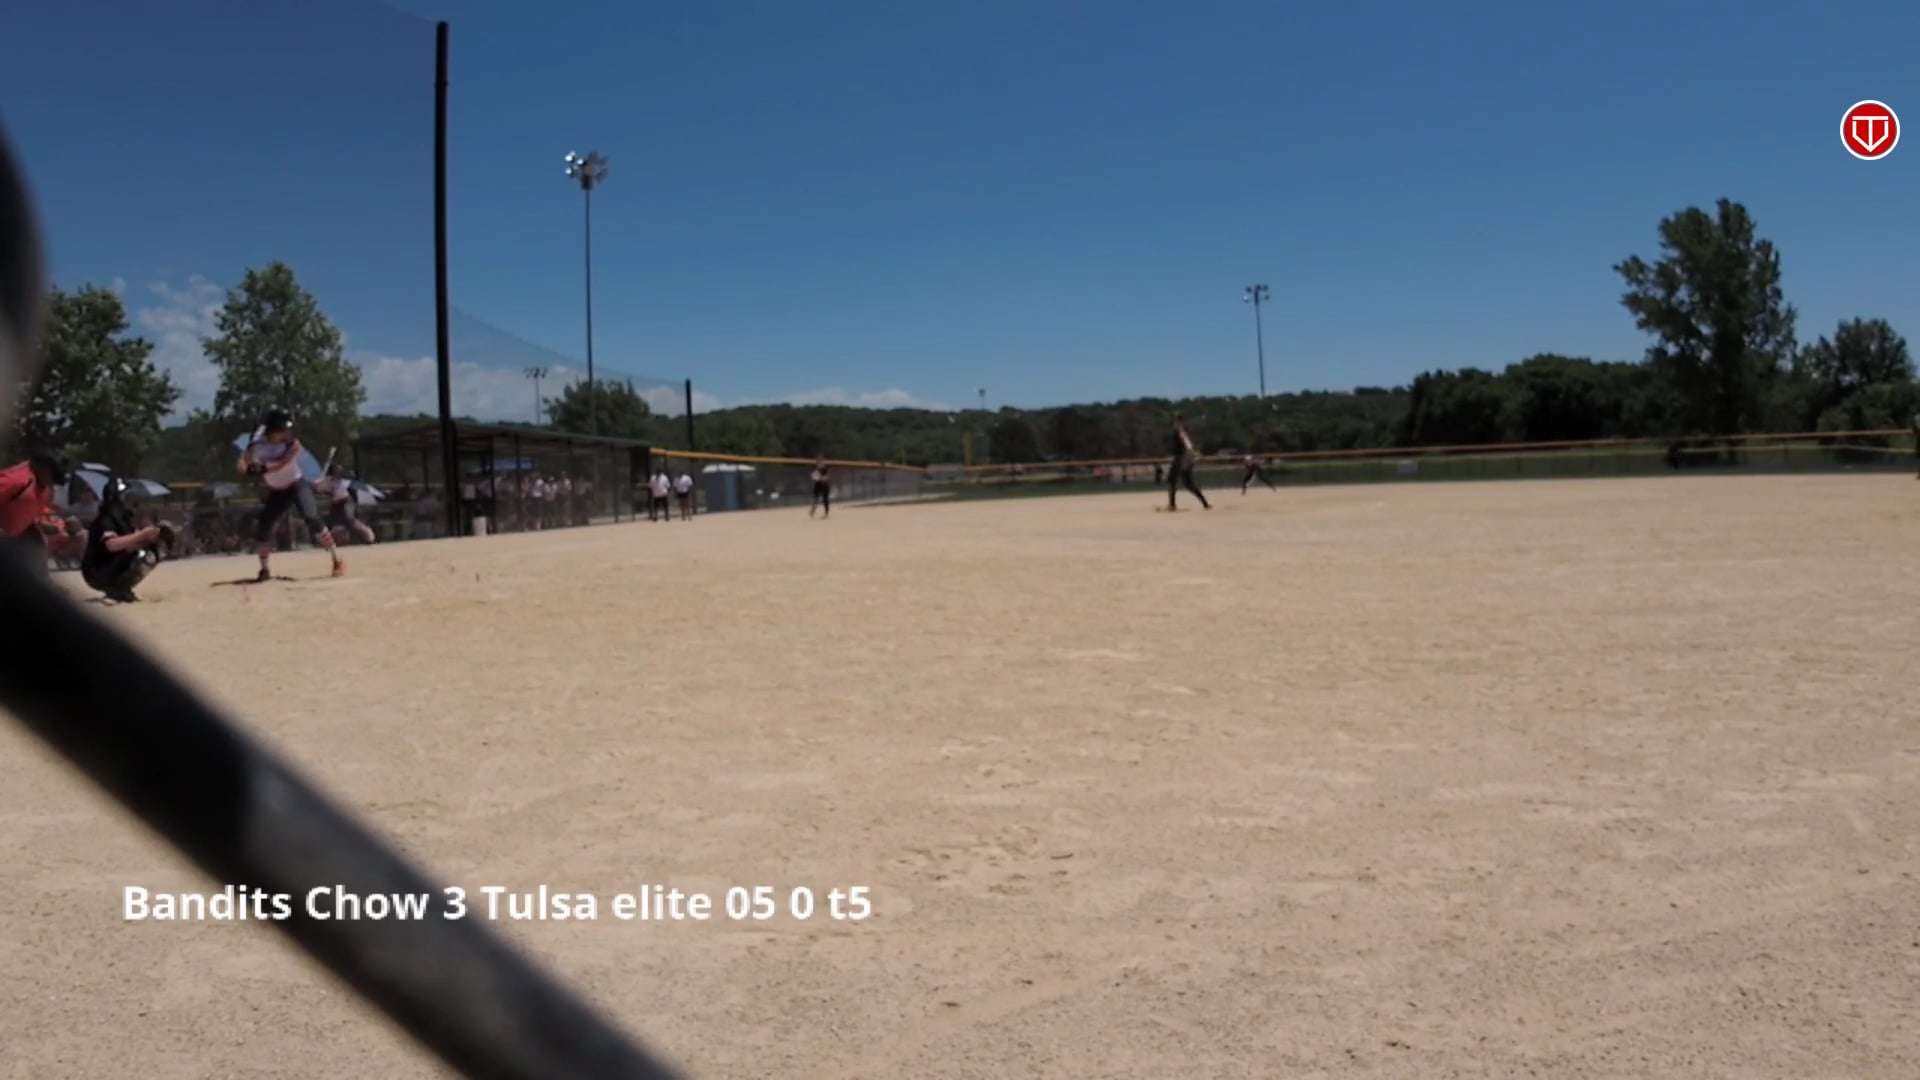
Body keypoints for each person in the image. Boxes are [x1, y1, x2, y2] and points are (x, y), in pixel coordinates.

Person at [238, 408, 342, 581]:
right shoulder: (257, 445)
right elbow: (242, 463)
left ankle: (336, 559)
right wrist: (248, 466)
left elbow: (282, 463)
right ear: (272, 430)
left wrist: (263, 467)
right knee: (264, 525)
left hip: (296, 485)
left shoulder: (293, 444)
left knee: (311, 517)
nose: (288, 432)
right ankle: (264, 570)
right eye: (283, 430)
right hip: (277, 491)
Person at [80, 475, 172, 603]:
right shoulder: (106, 519)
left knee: (151, 550)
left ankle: (122, 588)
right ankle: (115, 590)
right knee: (140, 554)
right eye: (125, 496)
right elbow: (111, 545)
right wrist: (142, 535)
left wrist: (154, 536)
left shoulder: (123, 518)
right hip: (96, 572)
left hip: (110, 565)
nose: (129, 500)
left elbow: (132, 541)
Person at [0, 448, 68, 569]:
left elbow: (35, 509)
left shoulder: (46, 487)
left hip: (16, 540)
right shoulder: (16, 481)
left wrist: (47, 522)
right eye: (53, 478)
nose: (53, 484)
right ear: (42, 467)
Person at [317, 464, 377, 546]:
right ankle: (332, 540)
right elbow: (320, 488)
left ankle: (368, 534)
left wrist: (328, 490)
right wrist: (322, 485)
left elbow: (336, 495)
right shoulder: (327, 481)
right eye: (336, 473)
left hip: (346, 501)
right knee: (332, 521)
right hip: (336, 504)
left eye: (339, 473)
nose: (338, 475)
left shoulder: (342, 482)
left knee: (349, 519)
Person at [1166, 414, 1210, 512]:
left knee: (1182, 482)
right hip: (1182, 458)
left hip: (1182, 459)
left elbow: (1187, 443)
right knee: (1179, 482)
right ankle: (1204, 503)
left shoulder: (1180, 431)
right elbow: (1187, 443)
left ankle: (1172, 505)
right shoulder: (1180, 431)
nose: (1175, 423)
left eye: (1176, 421)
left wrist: (1193, 453)